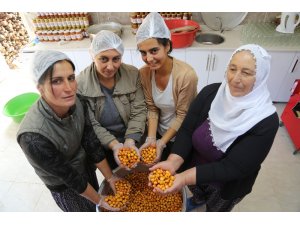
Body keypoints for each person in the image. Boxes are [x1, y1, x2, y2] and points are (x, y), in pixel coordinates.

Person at [150, 44, 279, 212]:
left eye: (246, 73)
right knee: (197, 194)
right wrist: (174, 161)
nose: (235, 79)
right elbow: (188, 130)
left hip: (225, 185)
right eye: (232, 69)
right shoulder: (211, 93)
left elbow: (234, 167)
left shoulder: (266, 121)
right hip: (195, 169)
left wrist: (183, 178)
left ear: (260, 77)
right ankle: (197, 200)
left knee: (215, 209)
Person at [17, 50, 121, 212]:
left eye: (71, 78)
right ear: (40, 87)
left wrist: (111, 177)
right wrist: (99, 200)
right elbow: (69, 177)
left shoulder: (78, 102)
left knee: (93, 197)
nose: (69, 88)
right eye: (57, 81)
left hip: (84, 167)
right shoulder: (32, 137)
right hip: (65, 186)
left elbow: (91, 142)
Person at [76, 30, 147, 170]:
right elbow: (91, 124)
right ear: (93, 56)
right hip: (103, 143)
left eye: (116, 59)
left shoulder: (132, 74)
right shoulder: (81, 84)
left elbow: (139, 110)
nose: (110, 66)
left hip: (133, 136)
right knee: (115, 175)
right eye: (103, 59)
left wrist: (130, 141)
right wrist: (114, 145)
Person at [135, 12, 198, 163]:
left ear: (167, 46)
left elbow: (183, 115)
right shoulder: (144, 73)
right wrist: (151, 139)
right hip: (158, 131)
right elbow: (152, 108)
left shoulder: (186, 75)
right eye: (143, 53)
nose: (148, 59)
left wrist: (162, 143)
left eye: (154, 50)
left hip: (182, 134)